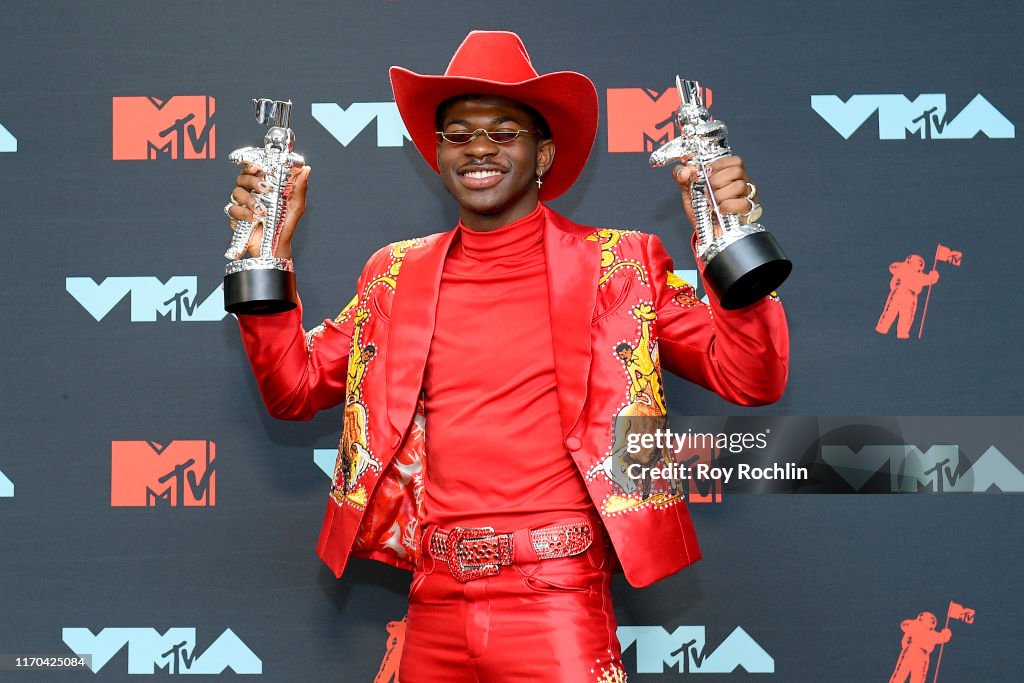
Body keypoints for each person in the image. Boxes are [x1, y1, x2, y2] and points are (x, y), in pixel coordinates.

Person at [225, 30, 788, 682]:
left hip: (558, 599)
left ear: (544, 151)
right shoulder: (394, 273)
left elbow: (749, 376)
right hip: (432, 599)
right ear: (437, 155)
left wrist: (732, 250)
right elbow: (292, 390)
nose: (479, 149)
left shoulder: (622, 263)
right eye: (458, 134)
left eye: (503, 131)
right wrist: (263, 257)